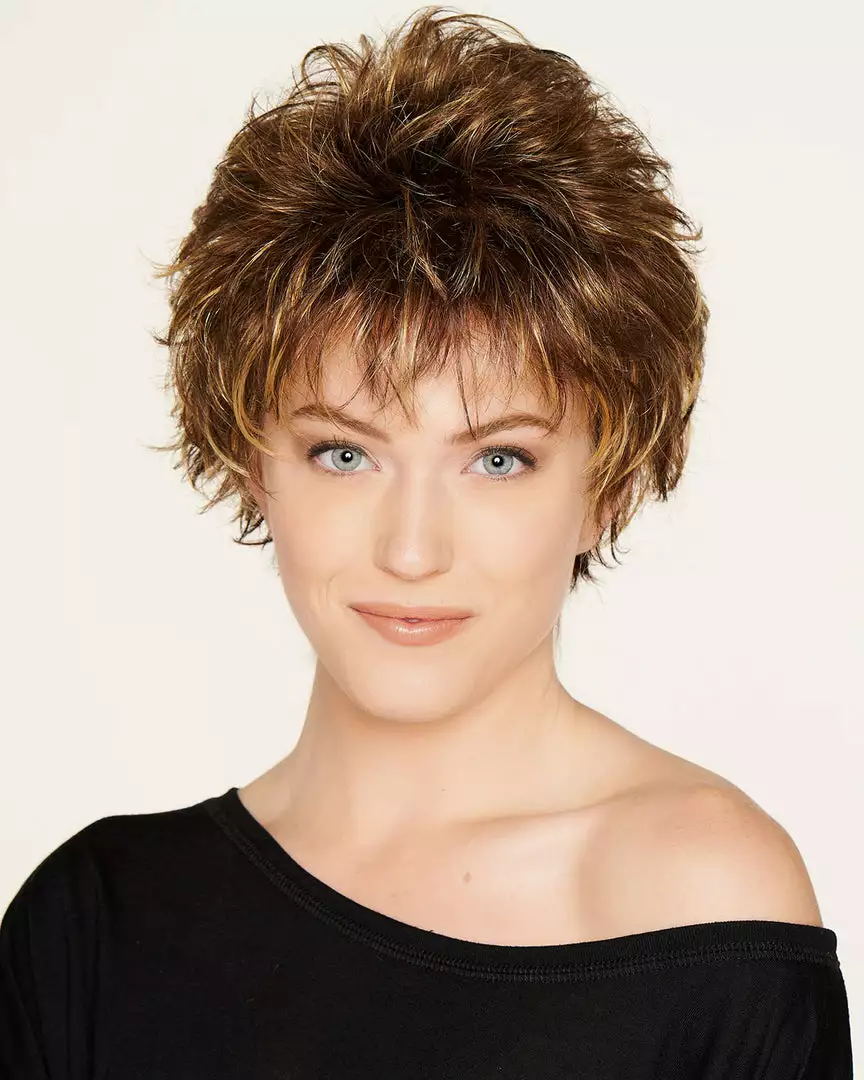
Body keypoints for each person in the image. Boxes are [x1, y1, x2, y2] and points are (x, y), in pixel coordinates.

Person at [0, 7, 853, 1077]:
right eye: (343, 453)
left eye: (497, 459)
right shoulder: (96, 923)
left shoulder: (703, 909)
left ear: (607, 484)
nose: (411, 552)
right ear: (252, 458)